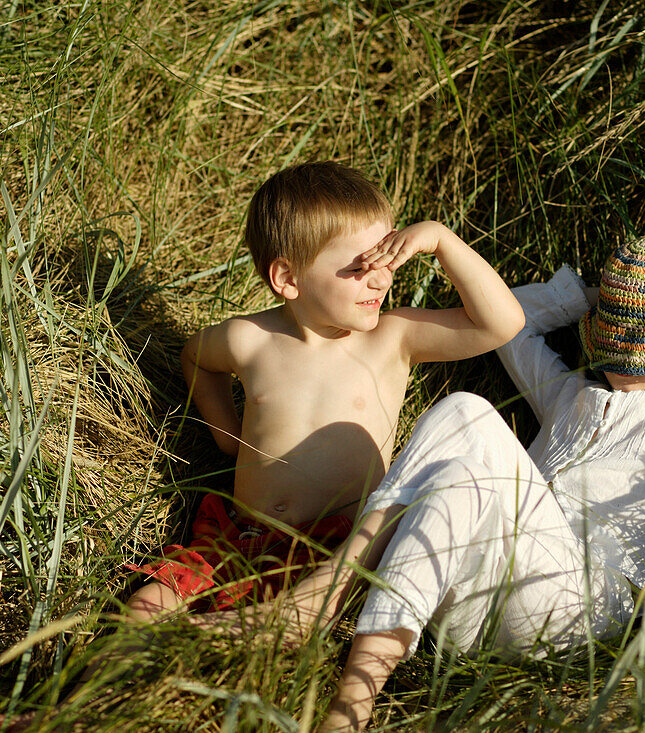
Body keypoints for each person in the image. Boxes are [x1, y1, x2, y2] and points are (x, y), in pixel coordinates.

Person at [262, 234, 645, 731]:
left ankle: (323, 598)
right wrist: (594, 295)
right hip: (479, 607)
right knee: (461, 476)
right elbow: (509, 321)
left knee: (466, 412)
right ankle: (351, 707)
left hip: (583, 618)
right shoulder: (567, 398)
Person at [122, 161, 526, 622]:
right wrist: (225, 435)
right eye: (359, 266)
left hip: (335, 550)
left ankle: (242, 639)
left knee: (272, 630)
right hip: (238, 537)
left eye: (387, 259)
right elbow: (195, 358)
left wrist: (440, 239)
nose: (382, 278)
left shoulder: (391, 339)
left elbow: (502, 323)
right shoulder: (249, 340)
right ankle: (111, 678)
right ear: (288, 279)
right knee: (146, 606)